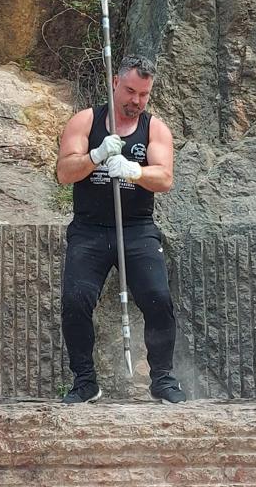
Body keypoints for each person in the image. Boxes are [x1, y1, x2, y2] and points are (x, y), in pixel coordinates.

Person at [56, 56, 185, 404]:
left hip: (137, 228)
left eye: (144, 95)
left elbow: (166, 178)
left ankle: (162, 378)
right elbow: (64, 172)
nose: (136, 101)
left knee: (159, 298)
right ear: (115, 82)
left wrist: (134, 171)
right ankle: (85, 382)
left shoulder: (155, 129)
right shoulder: (86, 121)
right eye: (130, 91)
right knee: (75, 300)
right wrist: (96, 156)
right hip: (90, 229)